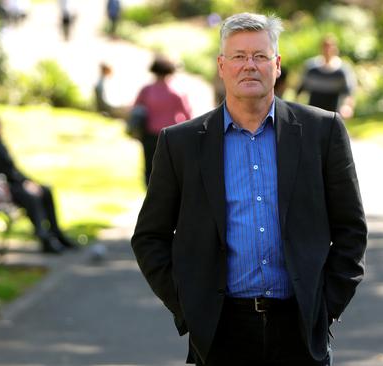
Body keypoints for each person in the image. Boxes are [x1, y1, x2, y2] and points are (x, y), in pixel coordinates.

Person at [131, 13, 367, 365]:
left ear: (277, 65)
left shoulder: (323, 131)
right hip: (219, 331)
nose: (249, 66)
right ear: (222, 66)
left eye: (259, 56)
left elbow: (351, 229)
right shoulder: (179, 143)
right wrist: (190, 306)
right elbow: (150, 237)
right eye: (239, 56)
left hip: (300, 329)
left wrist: (325, 307)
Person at [0, 109, 77, 254]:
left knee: (45, 190)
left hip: (4, 185)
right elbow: (2, 173)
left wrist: (28, 181)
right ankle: (44, 238)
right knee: (30, 196)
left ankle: (56, 233)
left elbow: (12, 169)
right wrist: (25, 183)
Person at [132, 55, 192, 186]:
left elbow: (135, 108)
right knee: (170, 166)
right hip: (171, 136)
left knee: (150, 165)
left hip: (149, 134)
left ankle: (149, 191)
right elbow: (188, 116)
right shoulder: (177, 92)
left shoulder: (146, 90)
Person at [296, 35, 357, 118]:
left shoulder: (343, 70)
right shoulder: (311, 68)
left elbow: (349, 92)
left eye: (330, 47)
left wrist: (347, 106)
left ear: (336, 49)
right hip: (314, 112)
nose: (328, 50)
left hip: (334, 113)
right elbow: (300, 89)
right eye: (325, 47)